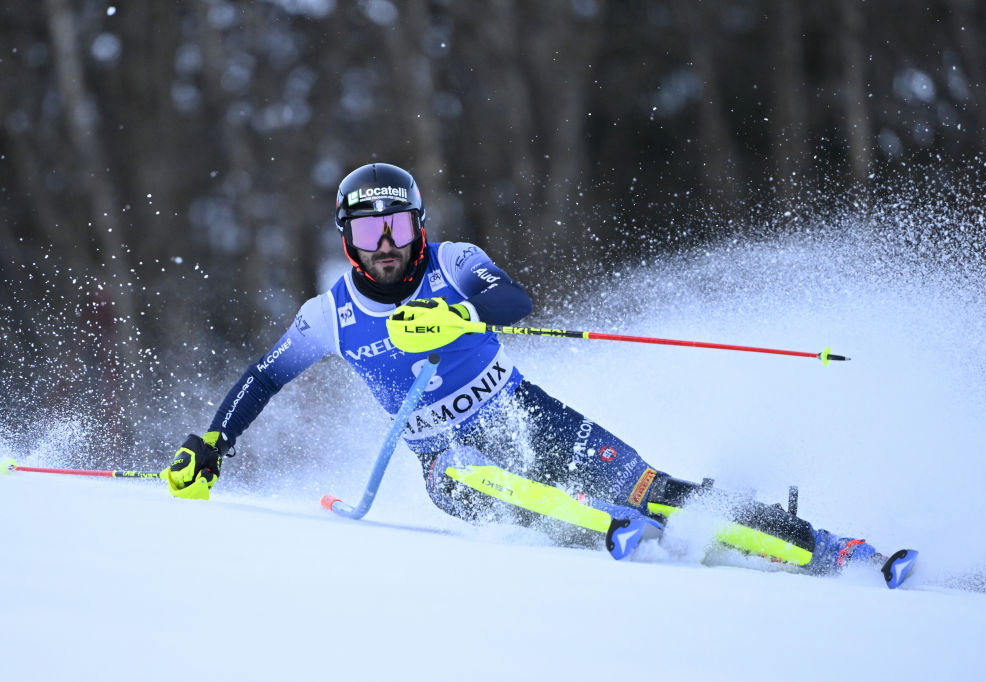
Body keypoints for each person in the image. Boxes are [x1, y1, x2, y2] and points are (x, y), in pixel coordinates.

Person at [162, 162, 885, 575]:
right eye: (369, 232)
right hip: (445, 455)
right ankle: (605, 527)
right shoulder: (328, 315)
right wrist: (211, 446)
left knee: (655, 489)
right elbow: (264, 377)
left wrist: (460, 317)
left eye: (399, 227)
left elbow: (513, 300)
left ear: (419, 226)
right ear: (347, 240)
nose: (387, 246)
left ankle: (829, 549)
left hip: (524, 410)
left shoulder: (452, 262)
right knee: (477, 474)